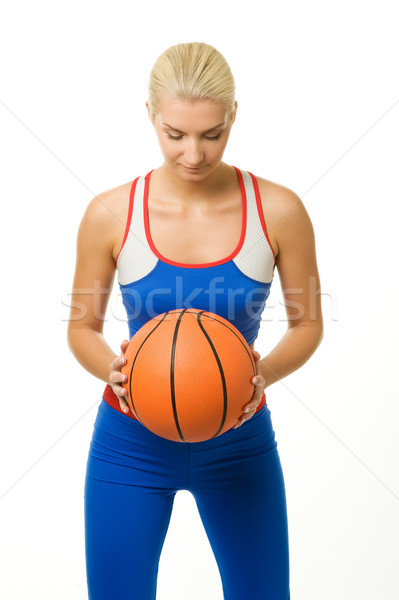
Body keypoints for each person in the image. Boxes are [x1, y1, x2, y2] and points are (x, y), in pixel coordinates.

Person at [67, 41, 323, 600]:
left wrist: (262, 377)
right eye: (175, 134)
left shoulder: (277, 210)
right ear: (151, 117)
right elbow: (81, 328)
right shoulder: (111, 213)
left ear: (233, 115)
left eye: (212, 134)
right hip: (129, 443)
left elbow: (308, 326)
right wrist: (112, 370)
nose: (193, 154)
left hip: (239, 440)